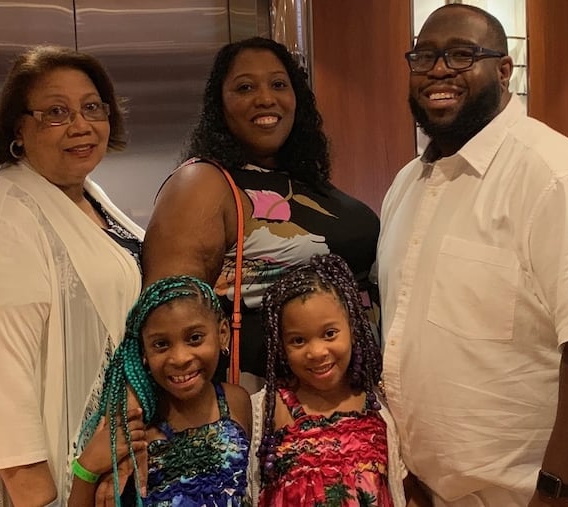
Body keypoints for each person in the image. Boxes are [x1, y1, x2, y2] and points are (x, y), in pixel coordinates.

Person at [376, 4, 568, 507]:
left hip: (537, 497)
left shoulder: (562, 179)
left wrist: (557, 492)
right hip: (431, 491)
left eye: (461, 55)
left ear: (504, 70)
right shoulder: (408, 184)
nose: (438, 70)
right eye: (423, 57)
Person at [0, 45, 144, 506]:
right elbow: (4, 410)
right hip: (57, 488)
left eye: (92, 107)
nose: (81, 125)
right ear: (18, 128)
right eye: (56, 112)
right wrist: (44, 494)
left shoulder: (87, 196)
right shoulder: (1, 222)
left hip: (108, 471)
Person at [142, 37, 380, 391]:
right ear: (219, 105)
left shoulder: (303, 180)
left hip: (352, 396)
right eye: (245, 87)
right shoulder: (202, 182)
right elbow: (167, 320)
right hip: (267, 403)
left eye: (279, 84)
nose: (266, 98)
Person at [249, 254, 429, 507]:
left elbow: (406, 489)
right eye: (298, 340)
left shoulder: (379, 406)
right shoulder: (267, 409)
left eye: (330, 334)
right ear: (281, 346)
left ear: (352, 329)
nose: (317, 352)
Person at [73, 275, 252, 507]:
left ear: (223, 333)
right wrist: (86, 468)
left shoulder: (236, 400)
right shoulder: (134, 426)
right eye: (161, 344)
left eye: (195, 338)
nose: (179, 358)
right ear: (144, 353)